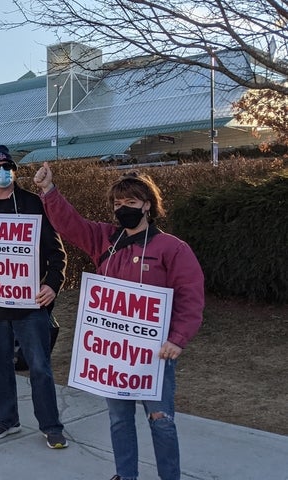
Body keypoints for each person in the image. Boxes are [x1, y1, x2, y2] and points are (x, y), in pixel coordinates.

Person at [33, 162, 204, 480]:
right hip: (113, 353)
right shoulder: (104, 239)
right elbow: (70, 225)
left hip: (155, 353)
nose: (123, 208)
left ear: (148, 205)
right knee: (119, 419)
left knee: (161, 419)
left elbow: (190, 298)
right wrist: (49, 191)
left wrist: (177, 338)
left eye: (131, 203)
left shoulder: (173, 249)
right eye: (118, 203)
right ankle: (126, 475)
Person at [0, 145, 68, 449]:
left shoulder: (34, 204)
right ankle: (5, 420)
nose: (2, 172)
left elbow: (56, 253)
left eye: (8, 167)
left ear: (14, 171)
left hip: (30, 304)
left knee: (40, 366)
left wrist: (53, 284)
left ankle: (51, 425)